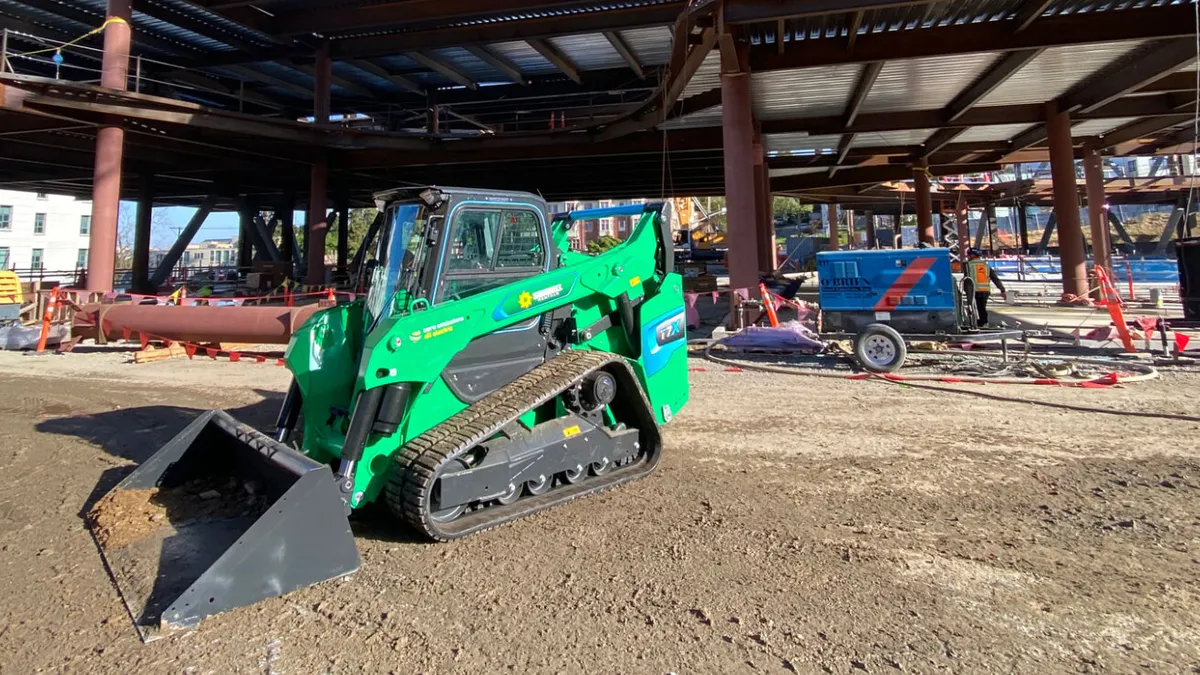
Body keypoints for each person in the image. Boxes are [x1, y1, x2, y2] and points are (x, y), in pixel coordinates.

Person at [965, 248, 1006, 327]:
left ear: (973, 255)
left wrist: (965, 289)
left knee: (973, 308)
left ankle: (977, 323)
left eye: (969, 255)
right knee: (982, 308)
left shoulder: (968, 265)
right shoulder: (986, 265)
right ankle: (983, 323)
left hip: (974, 290)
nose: (968, 256)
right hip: (985, 291)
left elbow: (966, 279)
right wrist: (1002, 290)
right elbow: (995, 278)